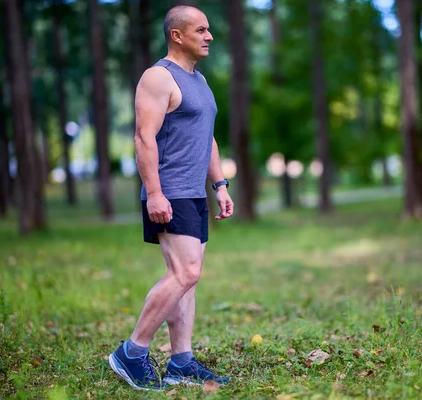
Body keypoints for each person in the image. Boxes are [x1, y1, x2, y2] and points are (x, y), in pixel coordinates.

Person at [108, 5, 234, 391]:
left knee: (187, 281)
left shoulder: (199, 80)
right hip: (170, 192)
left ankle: (181, 362)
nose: (209, 36)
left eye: (209, 29)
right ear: (177, 35)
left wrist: (220, 185)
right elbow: (144, 138)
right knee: (185, 273)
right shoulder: (158, 77)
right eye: (201, 29)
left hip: (195, 192)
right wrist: (155, 194)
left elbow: (206, 137)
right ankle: (131, 352)